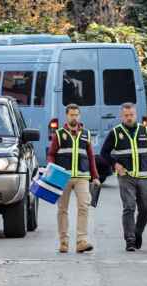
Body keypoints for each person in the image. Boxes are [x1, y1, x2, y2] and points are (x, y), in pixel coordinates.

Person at [100, 103, 147, 252]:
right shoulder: (115, 132)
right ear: (121, 116)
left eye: (131, 115)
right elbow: (104, 153)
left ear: (135, 115)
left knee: (145, 208)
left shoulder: (146, 131)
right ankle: (130, 240)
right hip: (126, 177)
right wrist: (115, 164)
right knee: (129, 207)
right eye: (126, 115)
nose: (129, 118)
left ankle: (138, 232)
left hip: (145, 177)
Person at [47, 104, 100, 254]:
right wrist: (51, 168)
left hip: (82, 177)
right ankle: (63, 242)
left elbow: (91, 157)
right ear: (67, 116)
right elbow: (51, 154)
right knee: (62, 209)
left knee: (84, 207)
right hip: (62, 177)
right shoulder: (59, 134)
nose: (74, 117)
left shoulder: (86, 134)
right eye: (71, 115)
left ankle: (81, 241)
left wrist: (95, 177)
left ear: (79, 116)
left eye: (76, 115)